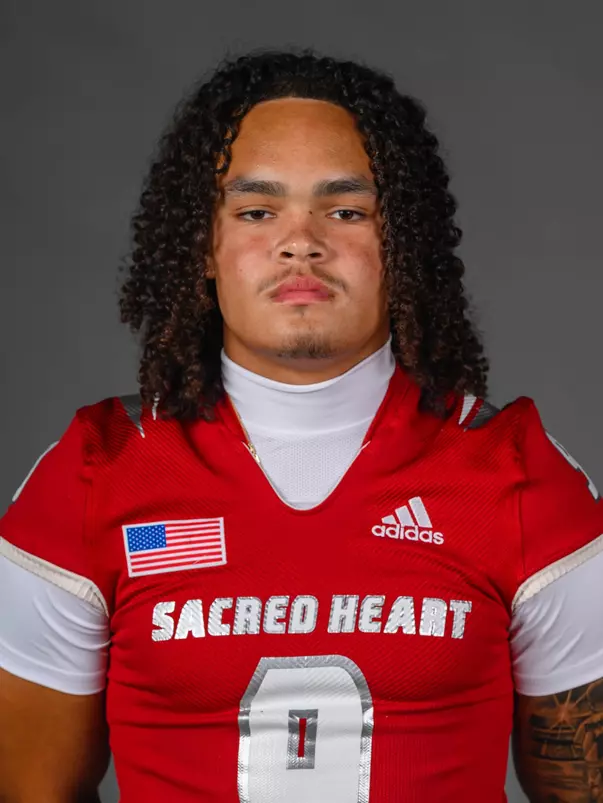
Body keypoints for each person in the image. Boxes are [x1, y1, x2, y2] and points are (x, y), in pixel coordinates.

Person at [0, 48, 601, 803]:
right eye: (257, 211)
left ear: (401, 245)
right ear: (204, 247)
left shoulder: (517, 473)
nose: (301, 242)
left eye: (345, 211)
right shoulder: (95, 470)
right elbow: (30, 788)